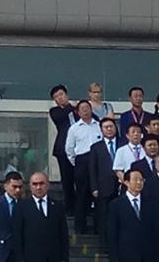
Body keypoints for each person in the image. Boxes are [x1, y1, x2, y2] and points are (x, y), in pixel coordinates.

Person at [107, 169, 159, 262]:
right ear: (126, 182)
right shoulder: (116, 204)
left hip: (148, 255)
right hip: (126, 255)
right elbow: (112, 233)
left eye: (141, 180)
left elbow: (156, 231)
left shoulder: (151, 203)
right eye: (135, 179)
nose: (139, 182)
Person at [12, 170, 69, 262]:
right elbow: (18, 236)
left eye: (41, 183)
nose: (38, 187)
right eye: (35, 184)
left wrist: (65, 258)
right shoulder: (21, 207)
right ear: (30, 186)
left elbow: (63, 235)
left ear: (48, 185)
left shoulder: (58, 206)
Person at [65, 99, 101, 234]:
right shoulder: (74, 128)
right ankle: (80, 227)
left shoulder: (99, 125)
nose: (85, 110)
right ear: (78, 112)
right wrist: (77, 163)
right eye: (82, 108)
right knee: (81, 194)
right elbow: (69, 149)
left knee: (98, 194)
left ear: (91, 110)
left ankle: (99, 227)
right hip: (82, 162)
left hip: (98, 162)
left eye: (87, 107)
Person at [88, 118, 120, 248]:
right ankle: (105, 245)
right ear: (101, 130)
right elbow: (92, 169)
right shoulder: (96, 147)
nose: (109, 129)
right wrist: (94, 188)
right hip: (103, 188)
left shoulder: (123, 144)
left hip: (121, 187)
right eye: (106, 127)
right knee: (104, 217)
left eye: (111, 126)